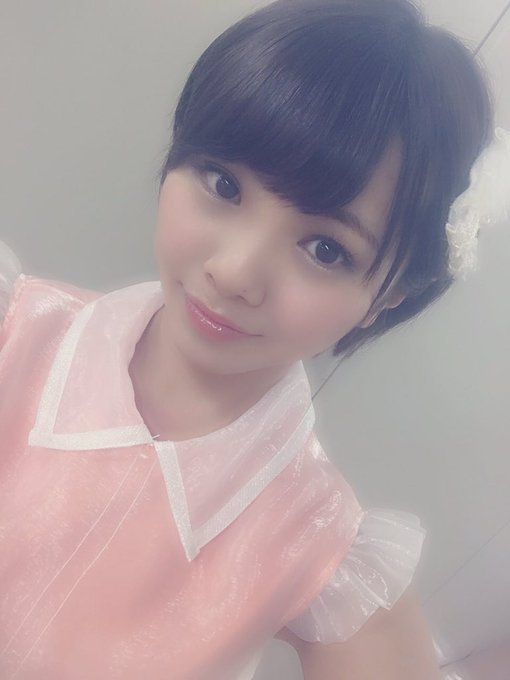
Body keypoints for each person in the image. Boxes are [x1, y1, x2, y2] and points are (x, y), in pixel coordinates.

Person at [1, 0, 505, 678]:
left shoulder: (319, 546)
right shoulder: (15, 330)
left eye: (325, 248)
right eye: (223, 184)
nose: (235, 272)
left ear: (388, 296)